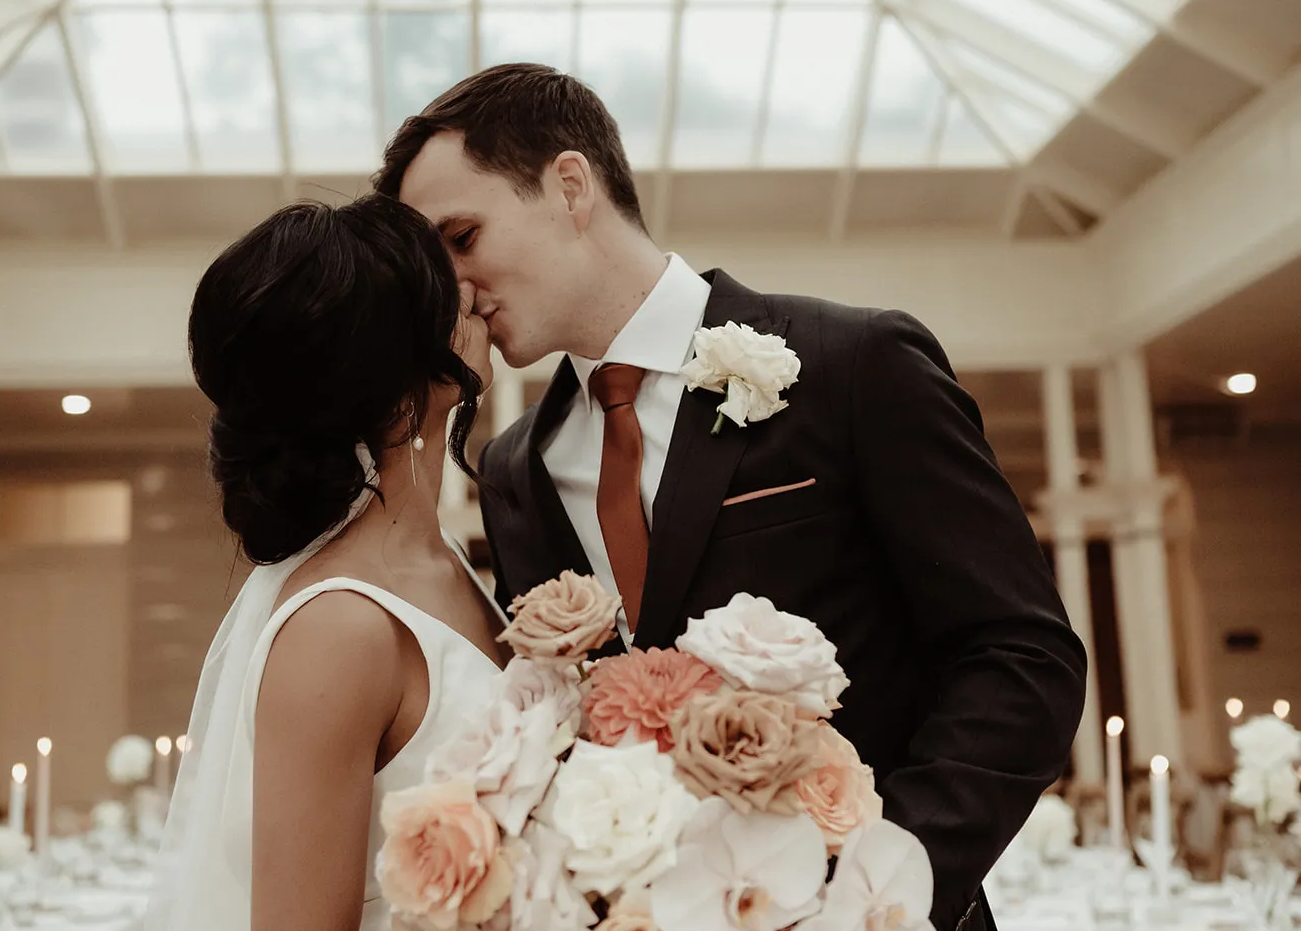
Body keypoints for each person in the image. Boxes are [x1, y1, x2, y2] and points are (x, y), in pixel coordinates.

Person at [375, 63, 1089, 931]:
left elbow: (1023, 657)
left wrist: (865, 890)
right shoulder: (513, 470)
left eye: (462, 236)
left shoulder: (855, 364)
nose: (450, 287)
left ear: (570, 186)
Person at [150, 196, 508, 931]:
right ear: (396, 395)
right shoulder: (338, 630)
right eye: (447, 293)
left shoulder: (443, 565)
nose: (472, 290)